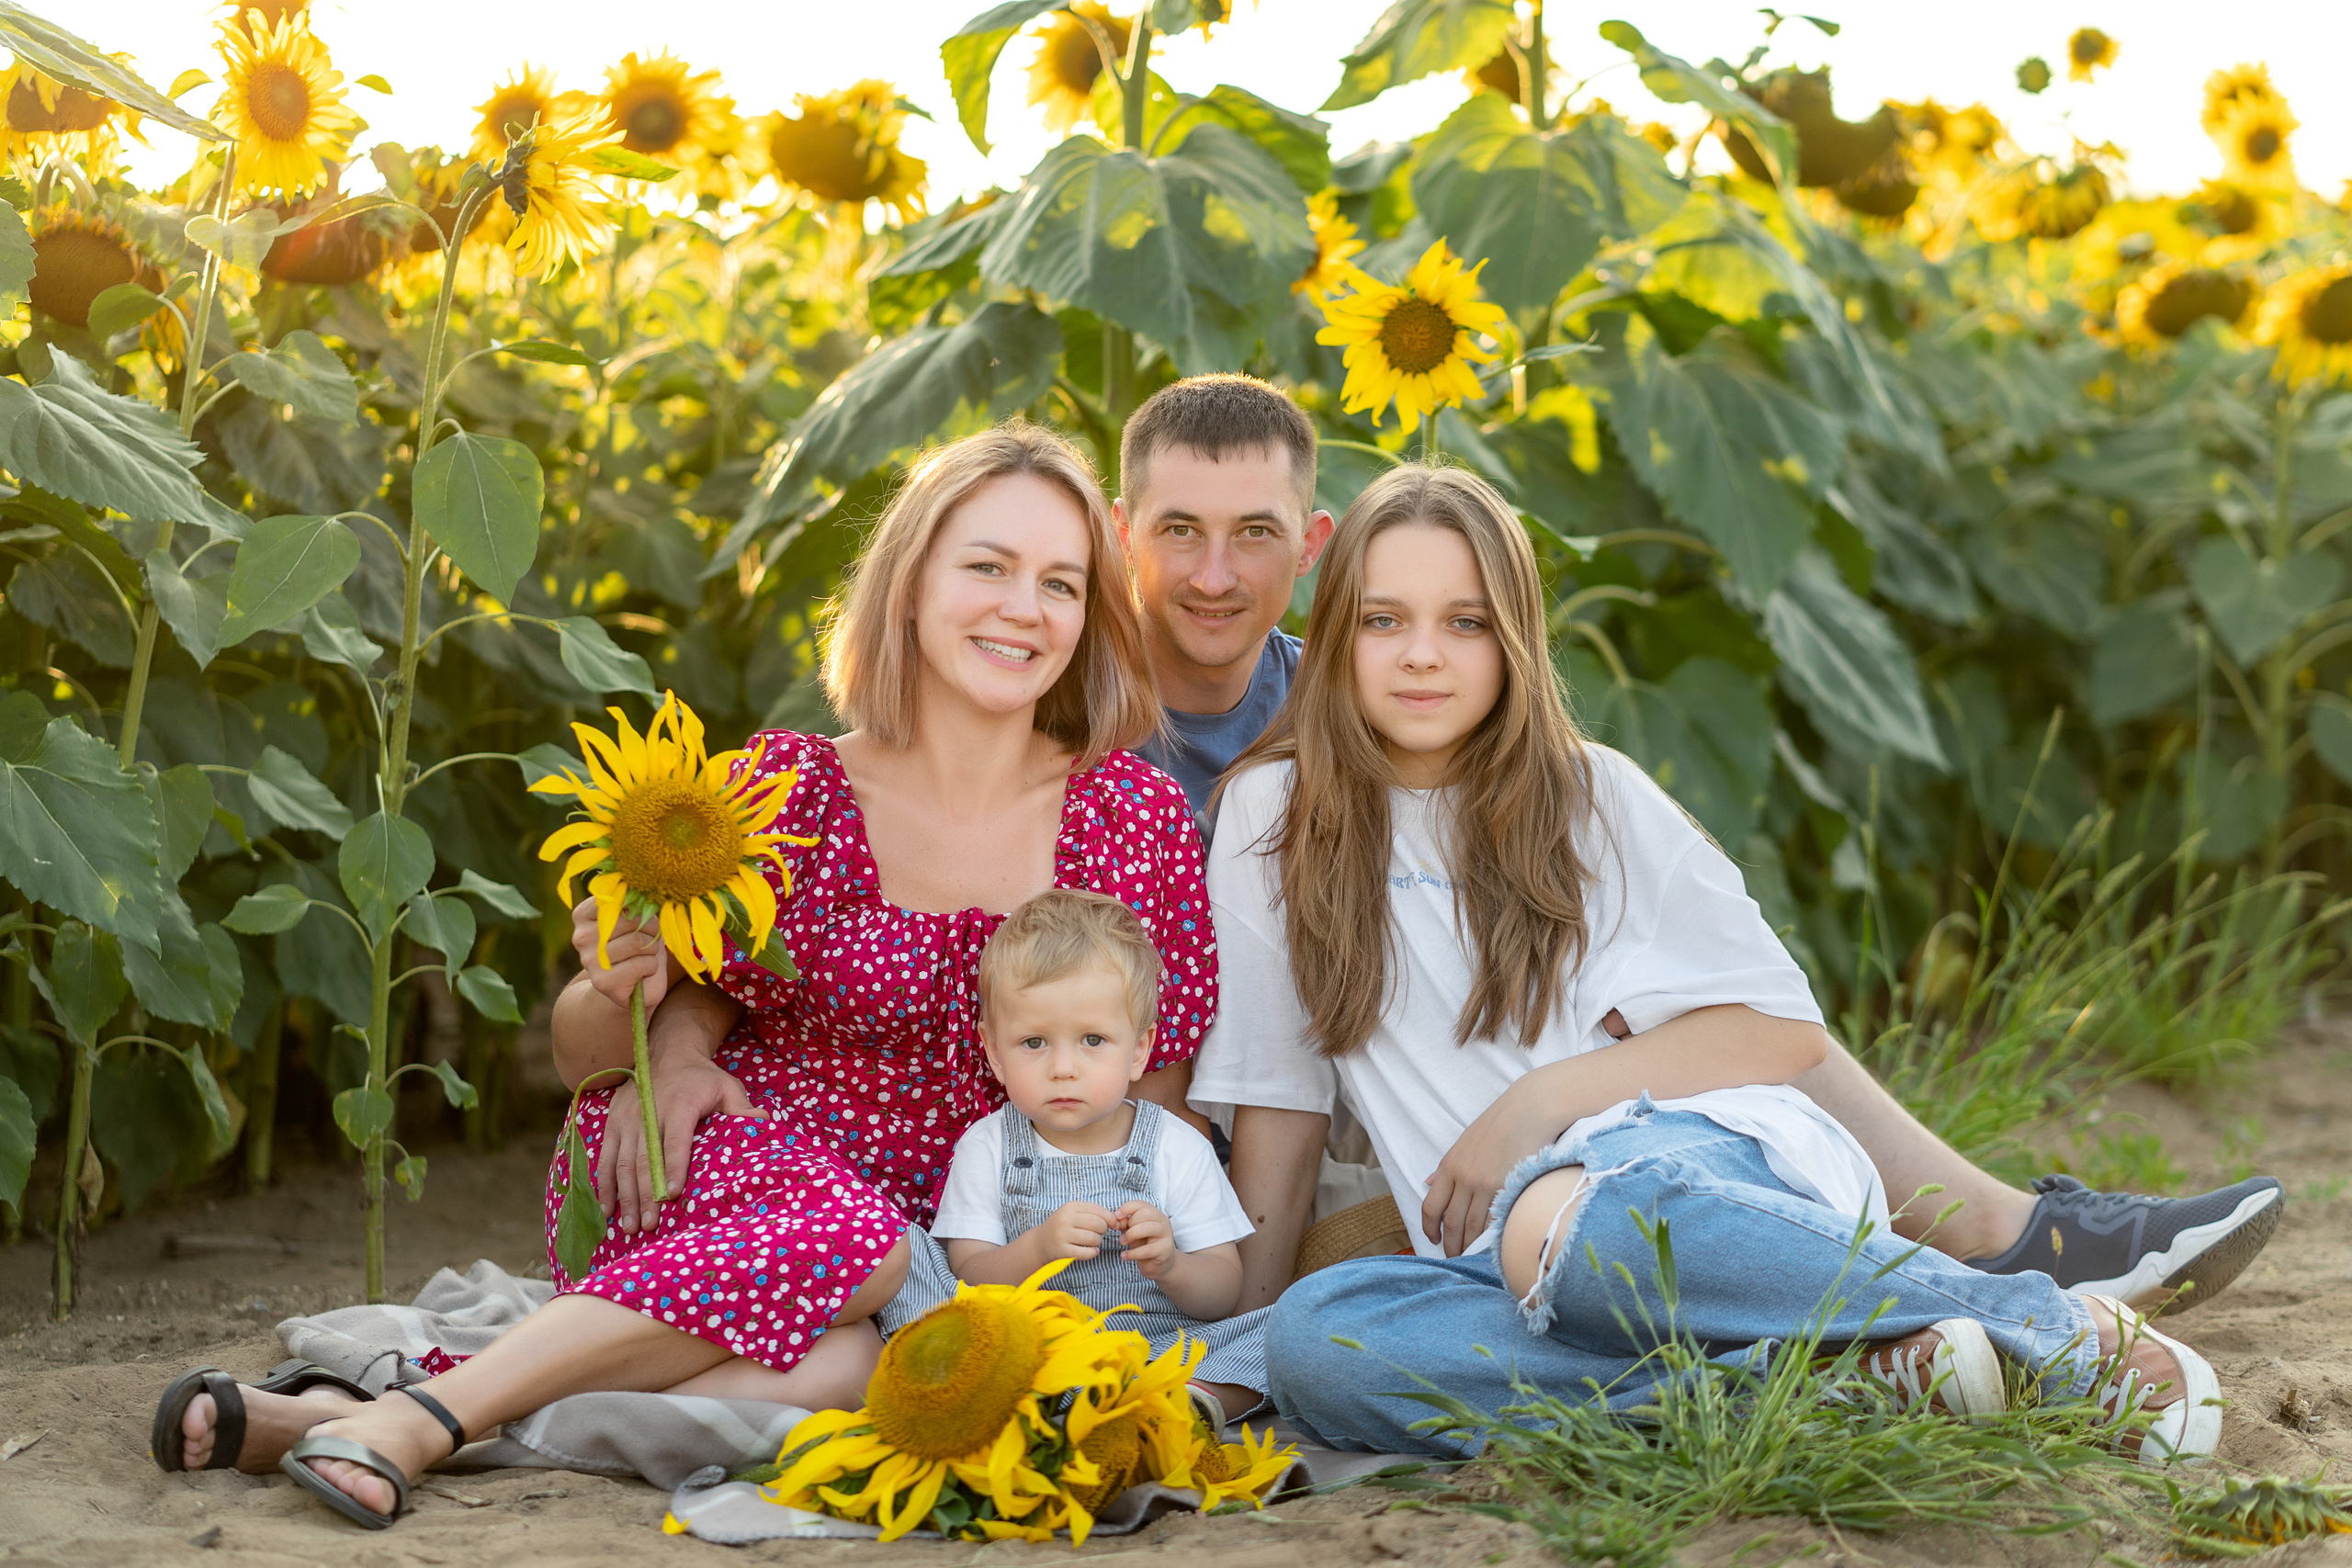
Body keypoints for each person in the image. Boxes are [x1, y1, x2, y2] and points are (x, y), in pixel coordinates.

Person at [150, 422, 1218, 1528]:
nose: (1022, 607)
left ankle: (358, 1407)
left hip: (960, 1245)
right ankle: (419, 1427)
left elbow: (1154, 1093)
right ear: (908, 586)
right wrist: (645, 1013)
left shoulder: (1128, 817)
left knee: (845, 1376)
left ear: (1090, 616)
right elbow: (581, 1059)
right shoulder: (781, 793)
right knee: (856, 1249)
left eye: (1060, 582)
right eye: (986, 566)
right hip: (725, 1171)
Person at [1112, 373, 2283, 1314]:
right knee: (1329, 1348)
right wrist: (1242, 1323)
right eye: (1389, 624)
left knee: (1593, 1202)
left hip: (1633, 1151)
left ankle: (2018, 1282)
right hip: (1387, 1190)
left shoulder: (1567, 787)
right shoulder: (1178, 764)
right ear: (1124, 538)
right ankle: (1868, 1347)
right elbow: (1271, 1083)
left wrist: (1557, 1095)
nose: (1420, 654)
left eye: (1463, 624)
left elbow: (1775, 1027)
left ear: (1307, 555)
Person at [927, 887, 1265, 1421]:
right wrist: (1037, 1248)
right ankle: (1055, 1408)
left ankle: (1183, 1404)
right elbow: (968, 1279)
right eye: (1034, 1043)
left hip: (1154, 1353)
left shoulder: (1176, 1146)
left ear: (1138, 1050)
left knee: (1275, 1328)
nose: (1064, 1068)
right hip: (1029, 1356)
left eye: (1092, 1040)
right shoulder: (988, 1146)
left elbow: (1223, 1292)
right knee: (908, 1263)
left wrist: (1172, 1264)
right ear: (993, 1052)